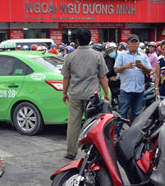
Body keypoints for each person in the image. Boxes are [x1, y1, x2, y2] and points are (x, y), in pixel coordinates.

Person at [62, 28, 110, 160]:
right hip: (92, 96)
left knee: (73, 124)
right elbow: (103, 77)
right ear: (90, 39)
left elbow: (66, 78)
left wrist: (64, 93)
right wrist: (106, 93)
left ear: (77, 40)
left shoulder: (70, 56)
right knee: (93, 124)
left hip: (75, 95)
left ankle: (71, 152)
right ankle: (92, 151)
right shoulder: (97, 55)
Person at [113, 34, 152, 137]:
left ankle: (133, 134)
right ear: (128, 44)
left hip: (139, 89)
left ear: (139, 43)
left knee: (137, 113)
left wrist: (142, 66)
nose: (134, 44)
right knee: (122, 112)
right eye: (132, 42)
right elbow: (116, 69)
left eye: (136, 42)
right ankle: (116, 133)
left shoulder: (143, 56)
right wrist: (126, 66)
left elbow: (149, 71)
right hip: (126, 88)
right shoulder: (122, 55)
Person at [103, 42, 120, 107]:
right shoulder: (108, 58)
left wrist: (117, 77)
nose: (111, 52)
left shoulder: (120, 56)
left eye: (112, 50)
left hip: (119, 80)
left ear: (116, 49)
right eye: (109, 51)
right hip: (110, 79)